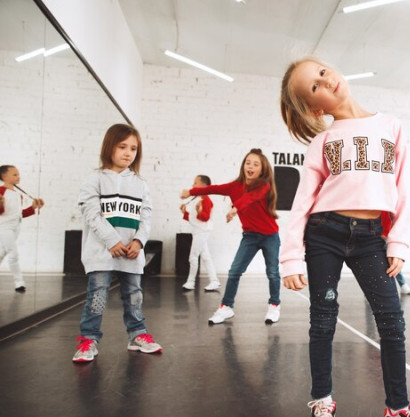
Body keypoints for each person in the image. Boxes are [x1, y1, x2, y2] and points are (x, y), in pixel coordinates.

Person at [279, 57, 410, 417]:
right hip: (325, 233)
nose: (325, 81)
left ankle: (398, 414)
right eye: (314, 87)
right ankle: (322, 404)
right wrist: (290, 256)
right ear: (316, 108)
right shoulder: (323, 141)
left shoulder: (392, 127)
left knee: (391, 320)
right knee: (323, 319)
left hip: (371, 237)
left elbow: (404, 190)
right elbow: (303, 201)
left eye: (322, 72)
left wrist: (399, 243)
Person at [73, 124, 162, 363]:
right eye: (122, 146)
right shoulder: (95, 179)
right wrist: (112, 241)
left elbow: (146, 216)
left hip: (131, 254)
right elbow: (92, 214)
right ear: (109, 146)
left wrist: (139, 241)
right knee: (98, 295)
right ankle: (88, 339)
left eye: (133, 148)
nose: (128, 152)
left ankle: (137, 334)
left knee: (134, 295)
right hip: (102, 252)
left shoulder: (141, 184)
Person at [181, 149, 281, 325]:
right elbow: (214, 188)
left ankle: (274, 305)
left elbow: (250, 197)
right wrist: (191, 191)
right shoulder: (235, 186)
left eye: (255, 164)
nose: (250, 167)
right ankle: (226, 307)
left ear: (262, 170)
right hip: (250, 236)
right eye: (248, 163)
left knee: (272, 272)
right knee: (234, 271)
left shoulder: (263, 186)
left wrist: (235, 209)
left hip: (270, 236)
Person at [0, 165, 44, 292]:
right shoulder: (1, 192)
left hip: (16, 227)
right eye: (15, 175)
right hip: (4, 227)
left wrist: (33, 207)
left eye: (18, 174)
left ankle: (19, 282)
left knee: (2, 253)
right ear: (4, 176)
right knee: (13, 254)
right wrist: (1, 203)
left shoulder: (18, 194)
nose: (18, 177)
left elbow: (20, 214)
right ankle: (19, 282)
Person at [180, 174, 221, 292]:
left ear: (203, 186)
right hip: (198, 231)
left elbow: (205, 218)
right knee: (206, 257)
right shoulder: (197, 199)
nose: (193, 186)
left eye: (195, 183)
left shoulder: (206, 199)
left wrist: (199, 211)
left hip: (202, 232)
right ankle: (214, 281)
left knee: (193, 257)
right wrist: (185, 213)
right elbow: (194, 218)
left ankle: (190, 282)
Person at [380, 211, 410, 295]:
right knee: (373, 263)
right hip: (375, 236)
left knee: (393, 262)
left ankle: (403, 285)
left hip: (389, 238)